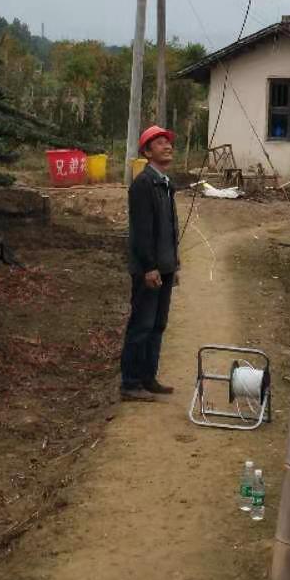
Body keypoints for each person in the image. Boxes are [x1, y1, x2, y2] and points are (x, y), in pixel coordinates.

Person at [121, 124, 179, 401]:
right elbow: (142, 232)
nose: (167, 146)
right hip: (149, 270)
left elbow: (169, 228)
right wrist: (150, 267)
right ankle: (130, 383)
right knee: (142, 325)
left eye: (168, 142)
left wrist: (173, 265)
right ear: (147, 152)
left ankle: (148, 378)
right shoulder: (143, 184)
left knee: (157, 325)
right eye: (159, 143)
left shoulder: (165, 184)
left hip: (164, 268)